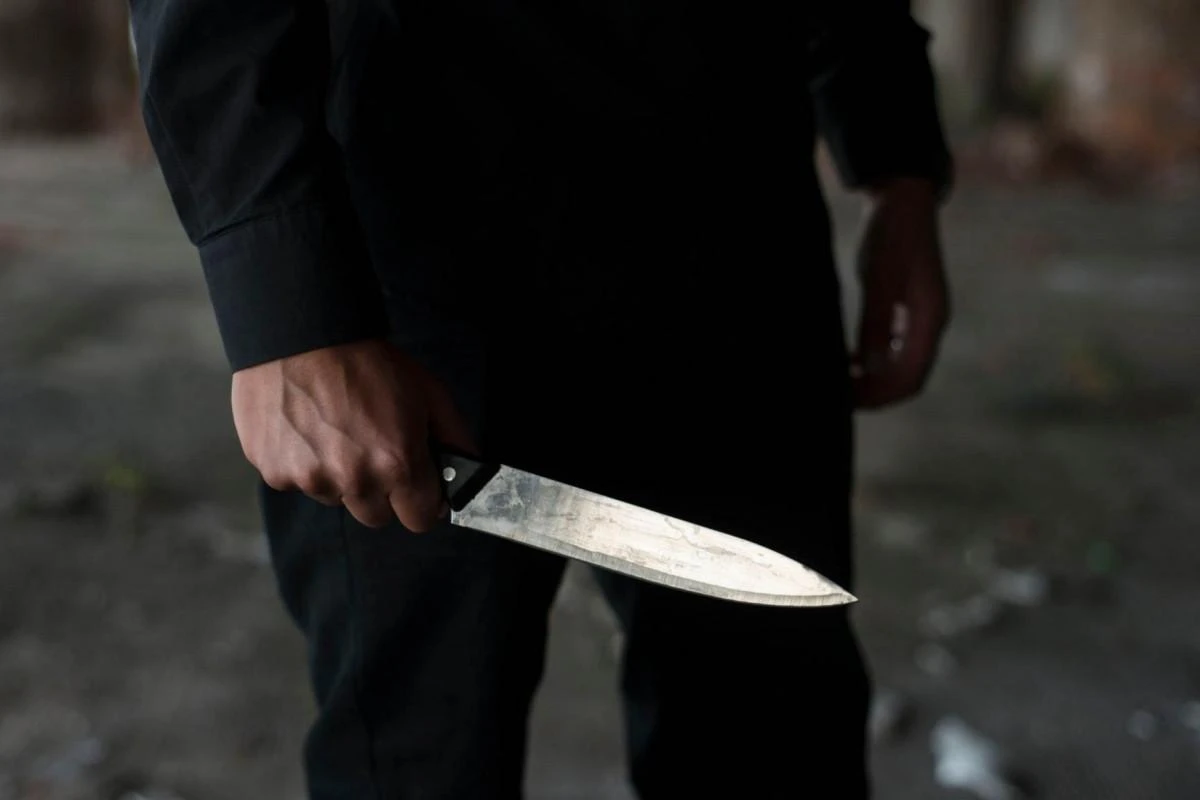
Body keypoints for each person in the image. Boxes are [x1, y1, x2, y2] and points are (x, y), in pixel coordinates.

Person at [129, 1, 952, 797]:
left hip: (737, 234)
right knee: (418, 753)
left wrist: (899, 162)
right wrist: (287, 304)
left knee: (770, 741)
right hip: (414, 261)